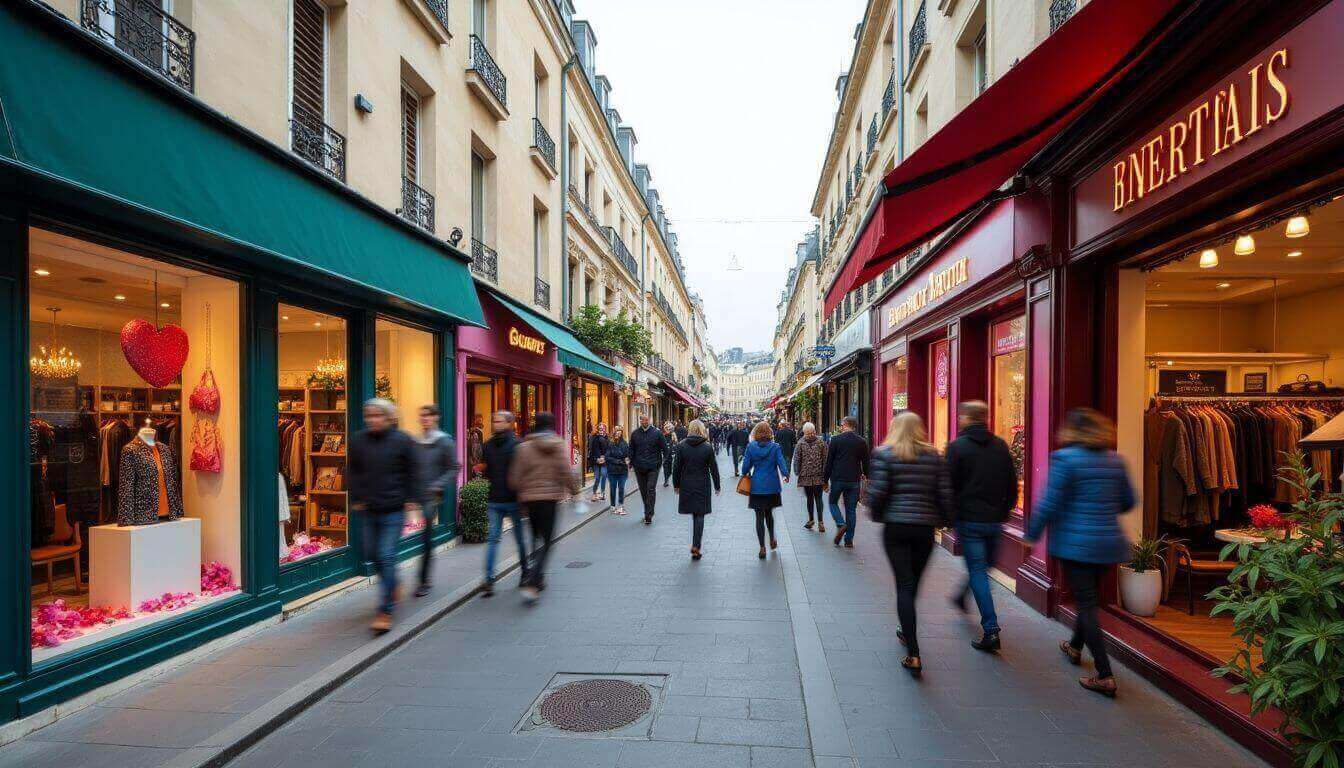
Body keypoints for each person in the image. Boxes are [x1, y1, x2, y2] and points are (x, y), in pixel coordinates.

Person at [1025, 408, 1134, 697]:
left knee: (1086, 605)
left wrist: (1032, 535)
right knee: (1090, 600)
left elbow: (1049, 503)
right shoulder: (1115, 461)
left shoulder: (1066, 460)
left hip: (1076, 544)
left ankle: (1105, 673)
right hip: (1107, 544)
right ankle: (1074, 646)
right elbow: (1128, 501)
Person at [866, 411, 952, 677]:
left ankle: (913, 652)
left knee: (904, 584)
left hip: (896, 528)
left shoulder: (885, 453)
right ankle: (907, 628)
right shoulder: (934, 456)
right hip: (924, 529)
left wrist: (878, 514)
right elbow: (944, 493)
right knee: (912, 583)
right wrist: (946, 520)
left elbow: (877, 492)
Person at [945, 400, 1018, 652]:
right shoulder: (1000, 445)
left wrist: (950, 516)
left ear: (966, 418)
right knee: (983, 567)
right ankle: (962, 595)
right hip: (994, 520)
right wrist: (1004, 510)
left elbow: (948, 486)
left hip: (970, 520)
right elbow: (1012, 483)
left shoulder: (957, 447)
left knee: (978, 569)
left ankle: (991, 629)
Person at [349, 399, 420, 633]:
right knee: (372, 554)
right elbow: (353, 471)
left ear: (389, 417)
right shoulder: (359, 440)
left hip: (393, 509)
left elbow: (412, 471)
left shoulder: (402, 440)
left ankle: (385, 610)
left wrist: (410, 498)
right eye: (369, 415)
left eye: (377, 415)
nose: (372, 419)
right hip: (369, 509)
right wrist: (356, 497)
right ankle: (394, 583)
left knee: (386, 555)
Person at [509, 412, 579, 601]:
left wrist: (520, 494)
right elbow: (565, 471)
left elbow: (515, 477)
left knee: (535, 537)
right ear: (552, 425)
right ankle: (533, 581)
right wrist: (575, 492)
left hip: (529, 500)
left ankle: (537, 577)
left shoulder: (523, 447)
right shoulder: (558, 445)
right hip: (550, 500)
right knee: (547, 542)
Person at [476, 411, 528, 598]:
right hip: (496, 500)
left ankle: (524, 572)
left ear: (509, 423)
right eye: (494, 420)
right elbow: (486, 469)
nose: (495, 423)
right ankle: (489, 579)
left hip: (513, 500)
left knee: (519, 539)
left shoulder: (517, 445)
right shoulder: (490, 445)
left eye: (499, 421)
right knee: (494, 539)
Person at [412, 404, 459, 598]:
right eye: (422, 416)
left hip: (431, 497)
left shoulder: (444, 442)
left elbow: (454, 467)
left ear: (436, 418)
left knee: (426, 539)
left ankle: (424, 580)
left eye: (428, 416)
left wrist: (437, 485)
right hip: (414, 496)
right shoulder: (416, 441)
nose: (424, 419)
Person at [740, 421, 790, 559]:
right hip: (772, 486)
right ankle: (772, 538)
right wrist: (786, 475)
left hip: (756, 486)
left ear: (755, 433)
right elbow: (781, 463)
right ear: (770, 432)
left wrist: (745, 473)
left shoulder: (751, 447)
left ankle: (762, 547)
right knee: (769, 514)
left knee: (759, 517)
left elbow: (745, 468)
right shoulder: (775, 447)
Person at [672, 419, 720, 560]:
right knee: (700, 514)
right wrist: (717, 485)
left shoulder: (681, 446)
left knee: (695, 513)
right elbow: (714, 469)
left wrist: (676, 485)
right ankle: (696, 546)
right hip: (702, 484)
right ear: (702, 429)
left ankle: (695, 545)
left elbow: (676, 468)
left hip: (687, 483)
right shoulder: (707, 447)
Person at [824, 416, 870, 548]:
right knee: (851, 510)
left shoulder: (836, 440)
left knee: (833, 502)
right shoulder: (861, 441)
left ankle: (840, 523)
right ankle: (849, 540)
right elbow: (866, 462)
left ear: (845, 425)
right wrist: (867, 475)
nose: (841, 426)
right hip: (854, 479)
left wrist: (825, 480)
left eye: (841, 424)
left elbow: (829, 462)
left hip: (838, 478)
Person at [630, 414, 667, 525]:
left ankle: (648, 514)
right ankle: (647, 510)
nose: (644, 422)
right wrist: (631, 462)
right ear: (640, 421)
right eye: (642, 420)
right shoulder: (635, 434)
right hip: (639, 467)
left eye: (646, 420)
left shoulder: (657, 433)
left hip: (653, 466)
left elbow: (665, 448)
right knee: (643, 490)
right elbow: (631, 449)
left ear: (649, 420)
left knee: (650, 488)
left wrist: (663, 461)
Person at [793, 422, 828, 533]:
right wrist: (825, 473)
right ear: (814, 431)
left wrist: (797, 472)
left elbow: (797, 459)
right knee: (818, 498)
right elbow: (825, 458)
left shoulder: (800, 443)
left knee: (809, 498)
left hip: (806, 475)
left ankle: (811, 519)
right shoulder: (821, 442)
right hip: (818, 475)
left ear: (804, 432)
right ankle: (821, 521)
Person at [604, 425, 632, 515]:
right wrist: (618, 461)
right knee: (612, 488)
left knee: (621, 488)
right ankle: (612, 505)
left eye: (619, 432)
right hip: (612, 471)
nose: (618, 433)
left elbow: (628, 455)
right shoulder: (610, 443)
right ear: (614, 433)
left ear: (621, 433)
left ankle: (620, 505)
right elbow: (607, 457)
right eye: (616, 432)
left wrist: (628, 460)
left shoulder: (625, 444)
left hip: (622, 471)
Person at [587, 423, 610, 503]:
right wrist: (597, 458)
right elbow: (592, 450)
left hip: (604, 461)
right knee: (597, 478)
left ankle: (602, 492)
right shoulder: (594, 437)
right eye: (599, 428)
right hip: (596, 461)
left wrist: (604, 457)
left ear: (604, 429)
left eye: (602, 428)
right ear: (597, 429)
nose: (601, 429)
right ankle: (594, 493)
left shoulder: (607, 438)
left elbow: (609, 450)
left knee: (603, 475)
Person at [662, 422, 678, 487]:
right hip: (666, 454)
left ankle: (667, 478)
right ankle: (666, 480)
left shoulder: (672, 434)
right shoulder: (663, 435)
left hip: (670, 454)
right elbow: (676, 442)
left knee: (668, 466)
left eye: (668, 429)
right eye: (666, 429)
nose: (667, 430)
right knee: (666, 466)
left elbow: (676, 442)